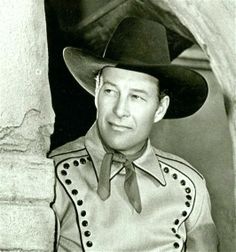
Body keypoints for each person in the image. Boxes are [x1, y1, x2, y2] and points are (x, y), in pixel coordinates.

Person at [49, 18, 218, 251]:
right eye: (110, 91)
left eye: (136, 97)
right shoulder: (55, 174)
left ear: (160, 108)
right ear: (96, 93)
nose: (119, 111)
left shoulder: (189, 184)